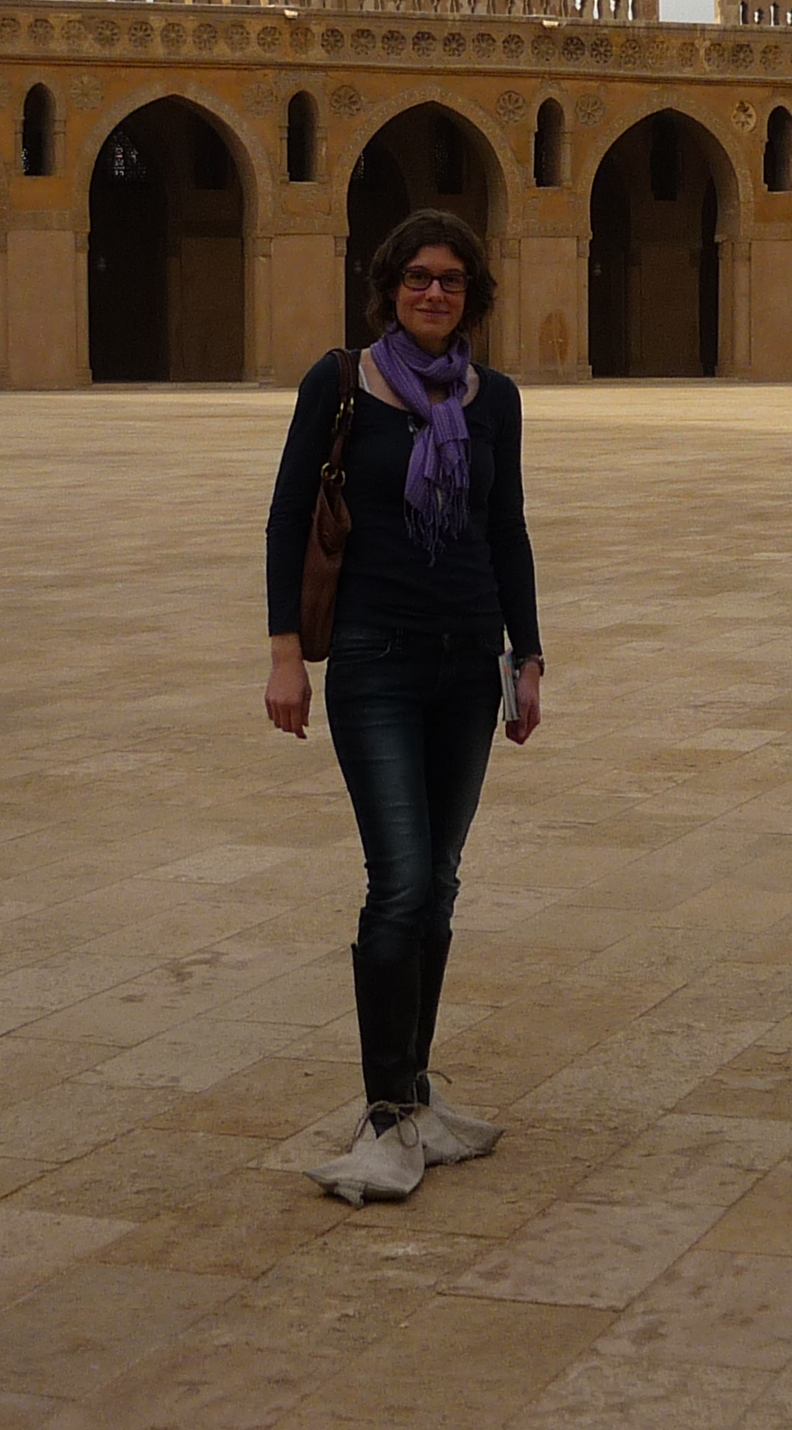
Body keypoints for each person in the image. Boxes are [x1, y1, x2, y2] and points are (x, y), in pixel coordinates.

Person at [264, 208, 545, 1205]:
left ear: (473, 296)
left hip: (467, 665)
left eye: (452, 280)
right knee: (400, 881)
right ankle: (384, 1115)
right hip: (375, 661)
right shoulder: (342, 383)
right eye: (418, 277)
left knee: (441, 881)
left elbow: (505, 528)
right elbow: (289, 514)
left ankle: (415, 1094)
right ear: (389, 287)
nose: (434, 292)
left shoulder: (493, 397)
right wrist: (286, 654)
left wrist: (528, 655)